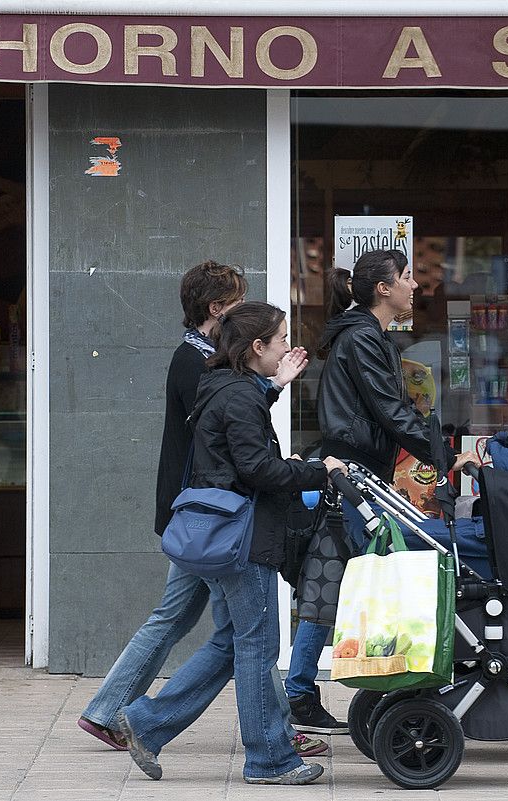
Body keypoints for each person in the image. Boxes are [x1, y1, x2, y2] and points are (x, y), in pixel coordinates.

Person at [76, 262, 325, 757]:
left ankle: (123, 715)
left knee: (225, 631)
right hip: (216, 517)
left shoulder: (206, 361)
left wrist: (275, 386)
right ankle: (269, 738)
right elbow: (236, 433)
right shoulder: (202, 363)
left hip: (208, 512)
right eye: (239, 303)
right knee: (238, 632)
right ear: (219, 310)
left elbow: (234, 419)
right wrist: (300, 465)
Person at [115, 301, 345, 785]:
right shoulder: (239, 396)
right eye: (279, 339)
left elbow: (241, 428)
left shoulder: (223, 386)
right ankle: (270, 760)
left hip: (225, 535)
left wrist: (275, 387)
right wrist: (317, 471)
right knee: (257, 647)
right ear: (256, 347)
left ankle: (145, 722)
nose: (285, 347)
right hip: (246, 540)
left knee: (229, 643)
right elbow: (258, 469)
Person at [284, 248, 478, 733]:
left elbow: (387, 412)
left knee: (328, 575)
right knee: (361, 570)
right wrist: (443, 455)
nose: (416, 286)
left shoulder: (363, 336)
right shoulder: (363, 340)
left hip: (353, 471)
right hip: (354, 476)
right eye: (408, 278)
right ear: (384, 289)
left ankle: (300, 692)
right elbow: (391, 411)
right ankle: (337, 686)